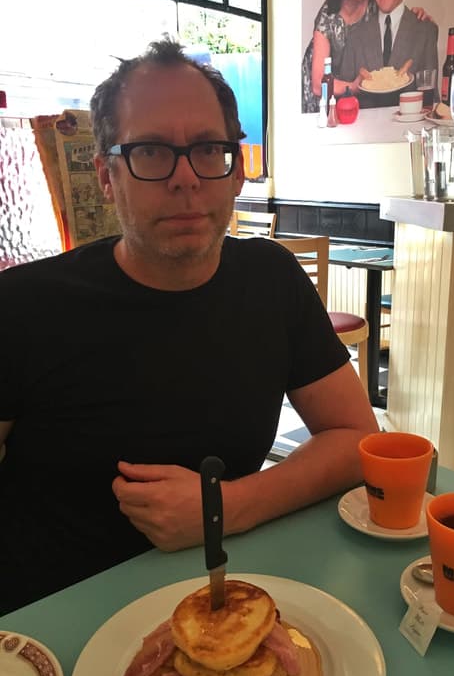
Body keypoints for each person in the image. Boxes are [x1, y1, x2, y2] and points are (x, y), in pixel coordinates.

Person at [0, 37, 378, 614]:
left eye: (207, 149)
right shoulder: (23, 306)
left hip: (222, 603)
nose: (186, 179)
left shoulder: (271, 282)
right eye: (151, 151)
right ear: (106, 176)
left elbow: (358, 440)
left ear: (235, 172)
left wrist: (223, 508)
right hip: (53, 632)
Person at [301, 0, 432, 113]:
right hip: (323, 88)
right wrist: (354, 86)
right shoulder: (328, 15)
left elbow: (395, 2)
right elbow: (319, 84)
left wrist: (417, 15)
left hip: (352, 90)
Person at [339, 0, 438, 108]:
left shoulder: (425, 31)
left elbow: (430, 101)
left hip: (408, 131)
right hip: (366, 132)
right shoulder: (355, 35)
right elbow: (344, 100)